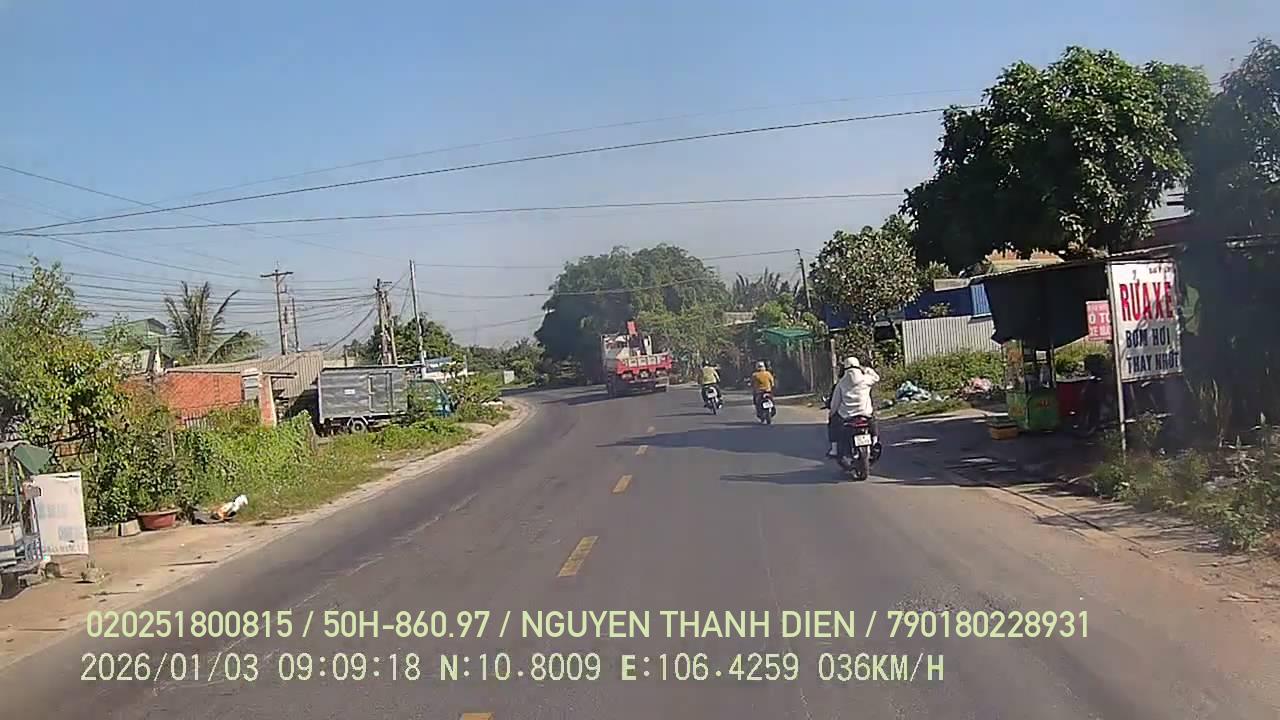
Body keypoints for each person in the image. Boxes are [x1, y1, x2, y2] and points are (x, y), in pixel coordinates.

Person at [827, 356, 880, 457]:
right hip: (865, 413)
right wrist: (865, 369)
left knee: (833, 421)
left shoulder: (841, 384)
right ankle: (875, 441)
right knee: (873, 419)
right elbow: (876, 377)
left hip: (847, 416)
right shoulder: (866, 380)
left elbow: (835, 403)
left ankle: (834, 449)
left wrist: (831, 413)